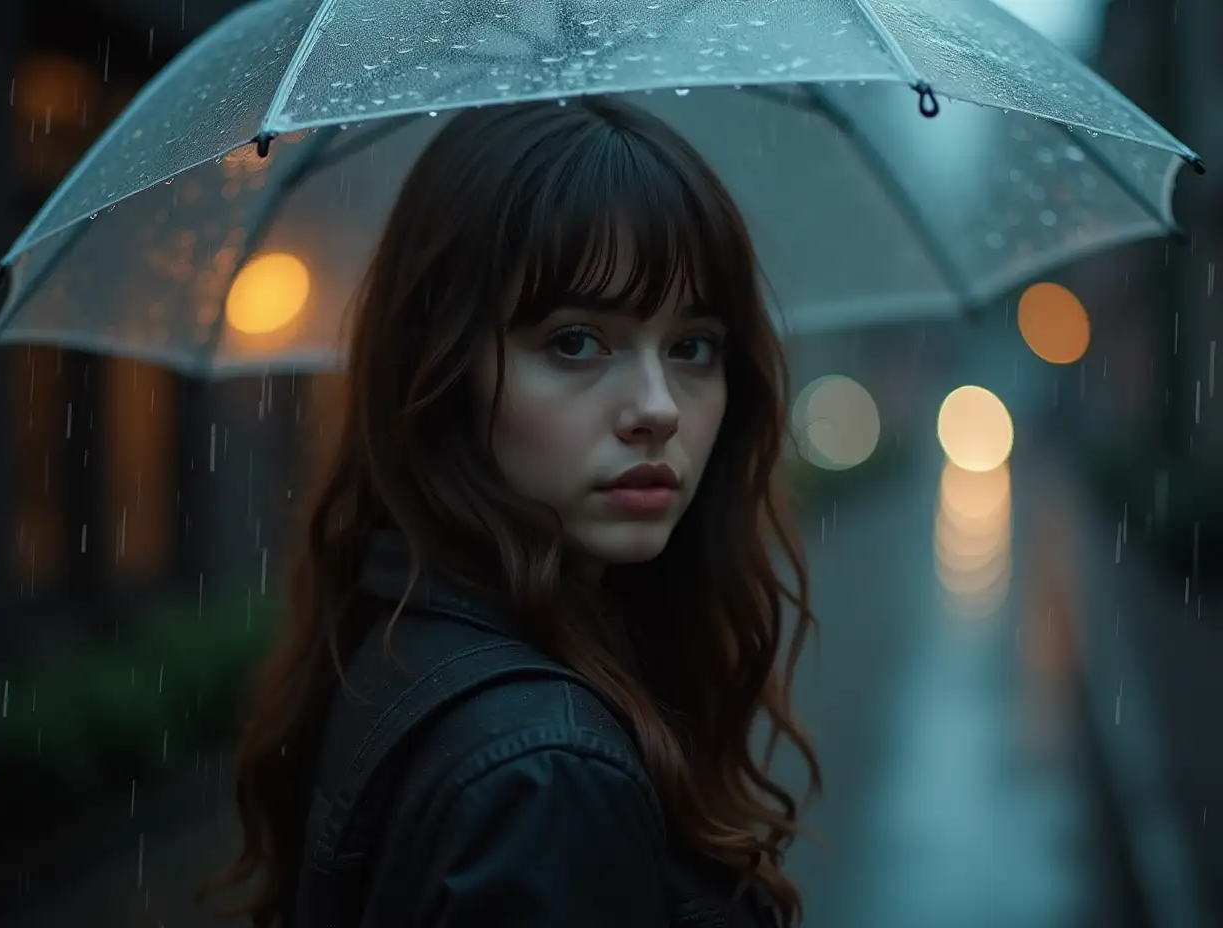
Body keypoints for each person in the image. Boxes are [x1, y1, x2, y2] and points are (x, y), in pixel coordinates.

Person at [202, 95, 821, 928]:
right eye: (576, 340)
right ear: (447, 371)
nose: (658, 407)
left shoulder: (396, 630)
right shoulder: (543, 772)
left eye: (692, 346)